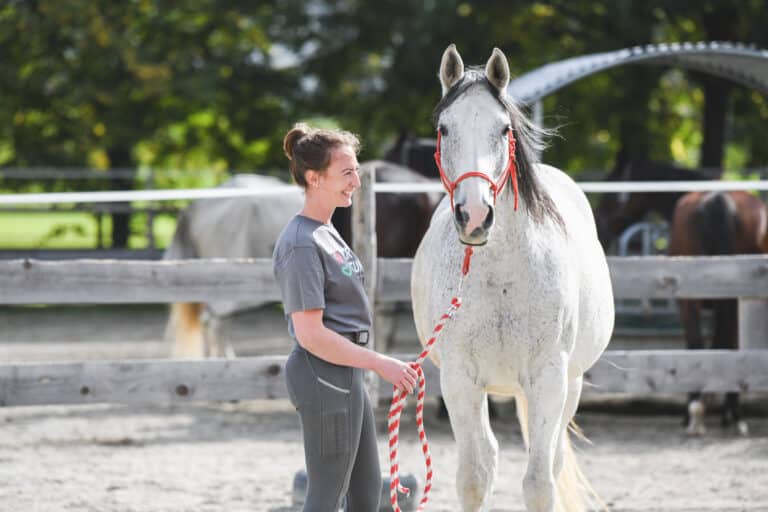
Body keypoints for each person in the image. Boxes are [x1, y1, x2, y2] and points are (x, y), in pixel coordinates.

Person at [273, 123, 419, 511]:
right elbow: (310, 334)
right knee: (325, 496)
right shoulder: (301, 244)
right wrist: (380, 363)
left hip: (344, 372)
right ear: (314, 178)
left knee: (366, 494)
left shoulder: (326, 231)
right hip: (323, 374)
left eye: (356, 170)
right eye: (347, 172)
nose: (356, 180)